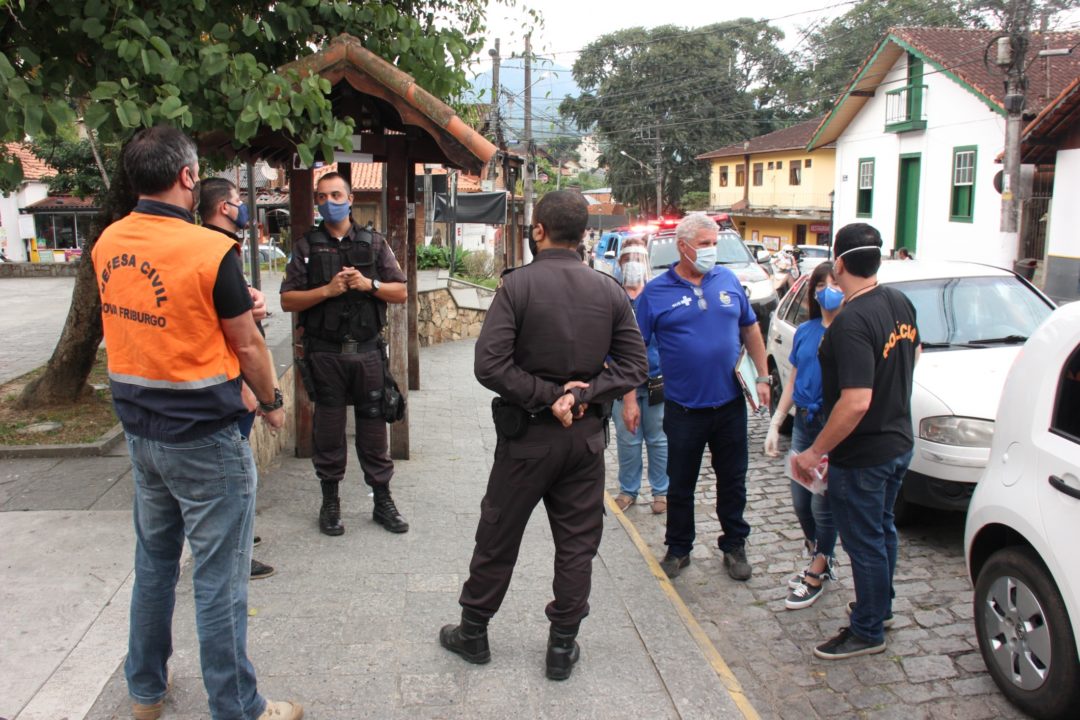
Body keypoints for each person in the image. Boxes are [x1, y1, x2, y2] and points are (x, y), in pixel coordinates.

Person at [92, 126, 301, 720]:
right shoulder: (209, 250)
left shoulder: (108, 241)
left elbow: (162, 320)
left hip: (141, 431)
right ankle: (238, 707)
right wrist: (273, 399)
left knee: (155, 563)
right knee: (219, 578)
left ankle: (146, 691)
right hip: (204, 436)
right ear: (188, 178)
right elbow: (249, 346)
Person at [439, 190, 648, 681]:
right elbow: (636, 366)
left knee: (498, 534)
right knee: (577, 544)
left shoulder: (517, 287)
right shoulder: (609, 291)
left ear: (539, 230)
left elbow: (488, 365)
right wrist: (580, 394)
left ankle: (473, 633)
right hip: (584, 440)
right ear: (584, 234)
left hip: (528, 438)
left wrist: (547, 395)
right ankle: (561, 647)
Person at [793, 223, 919, 660]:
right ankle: (879, 607)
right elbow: (913, 355)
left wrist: (813, 451)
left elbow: (856, 402)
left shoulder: (851, 320)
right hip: (898, 441)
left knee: (864, 540)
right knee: (883, 529)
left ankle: (867, 629)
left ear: (840, 263)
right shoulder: (898, 302)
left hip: (864, 454)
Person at [635, 213, 770, 581]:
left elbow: (750, 328)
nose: (712, 251)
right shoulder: (656, 293)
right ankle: (679, 548)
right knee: (680, 482)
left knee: (733, 479)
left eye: (715, 244)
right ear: (684, 246)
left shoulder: (727, 280)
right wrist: (630, 398)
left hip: (729, 405)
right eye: (705, 244)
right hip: (682, 408)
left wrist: (763, 376)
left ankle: (734, 544)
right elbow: (634, 346)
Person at [280, 172, 409, 536]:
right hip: (325, 355)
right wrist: (327, 291)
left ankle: (382, 500)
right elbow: (288, 300)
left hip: (367, 354)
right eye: (322, 196)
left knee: (373, 431)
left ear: (350, 199)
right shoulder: (306, 247)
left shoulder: (375, 243)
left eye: (336, 194)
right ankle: (330, 502)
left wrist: (370, 285)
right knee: (329, 431)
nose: (329, 201)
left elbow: (400, 292)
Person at [199, 178, 276, 581]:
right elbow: (239, 338)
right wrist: (269, 398)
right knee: (231, 475)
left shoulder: (209, 248)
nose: (243, 207)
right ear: (225, 208)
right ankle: (235, 554)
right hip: (229, 379)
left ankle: (239, 539)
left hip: (227, 377)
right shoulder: (216, 249)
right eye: (238, 201)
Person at [764, 262, 841, 609]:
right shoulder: (807, 331)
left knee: (821, 505)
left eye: (835, 283)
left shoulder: (850, 331)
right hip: (805, 423)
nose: (828, 291)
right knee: (800, 501)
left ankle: (819, 566)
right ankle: (816, 552)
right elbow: (793, 380)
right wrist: (776, 422)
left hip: (830, 425)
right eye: (821, 285)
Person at [612, 244, 669, 514]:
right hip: (621, 383)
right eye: (627, 259)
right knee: (628, 439)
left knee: (658, 438)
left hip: (656, 380)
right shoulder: (612, 296)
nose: (632, 264)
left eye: (638, 259)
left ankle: (661, 491)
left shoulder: (657, 295)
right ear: (620, 263)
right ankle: (628, 490)